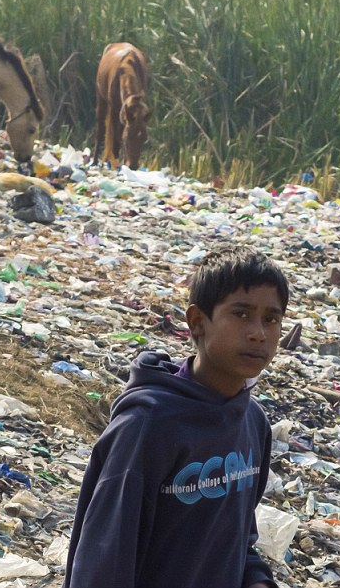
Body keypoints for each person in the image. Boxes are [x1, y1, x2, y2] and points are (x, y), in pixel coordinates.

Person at [63, 246, 289, 588]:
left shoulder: (253, 424)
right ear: (197, 321)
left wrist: (257, 581)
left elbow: (237, 541)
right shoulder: (148, 426)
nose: (258, 333)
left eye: (270, 320)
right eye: (241, 314)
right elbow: (104, 558)